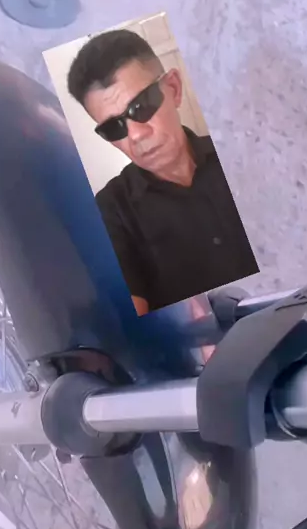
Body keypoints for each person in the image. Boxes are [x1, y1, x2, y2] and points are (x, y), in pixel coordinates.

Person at [67, 28, 259, 316]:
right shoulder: (110, 210)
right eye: (113, 127)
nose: (136, 135)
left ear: (174, 88)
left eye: (140, 107)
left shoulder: (243, 152)